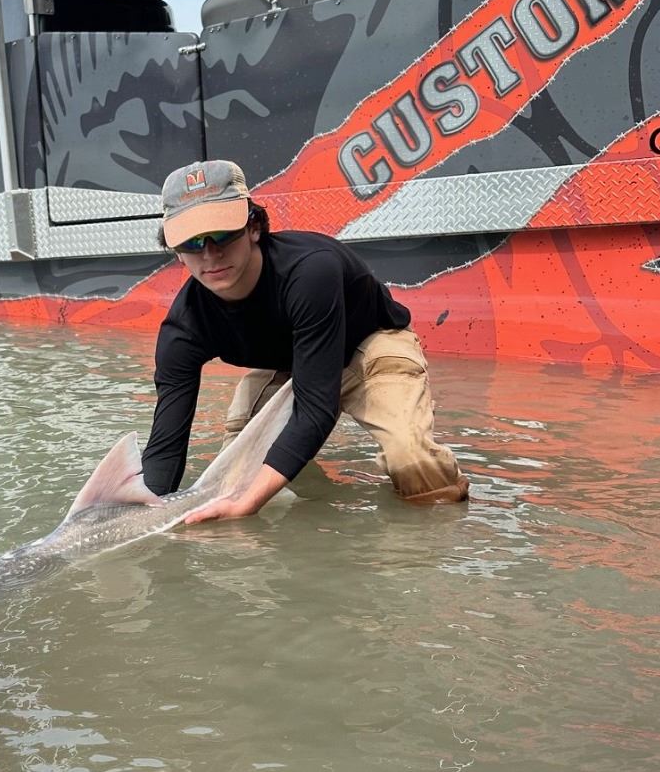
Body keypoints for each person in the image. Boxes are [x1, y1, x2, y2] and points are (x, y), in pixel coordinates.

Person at [140, 159, 469, 520]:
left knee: (413, 458)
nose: (210, 253)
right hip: (293, 364)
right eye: (191, 242)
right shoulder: (183, 329)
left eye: (222, 234)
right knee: (231, 479)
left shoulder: (311, 271)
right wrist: (142, 518)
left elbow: (316, 410)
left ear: (253, 227)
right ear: (176, 251)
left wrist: (248, 504)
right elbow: (165, 448)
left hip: (370, 346)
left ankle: (441, 528)